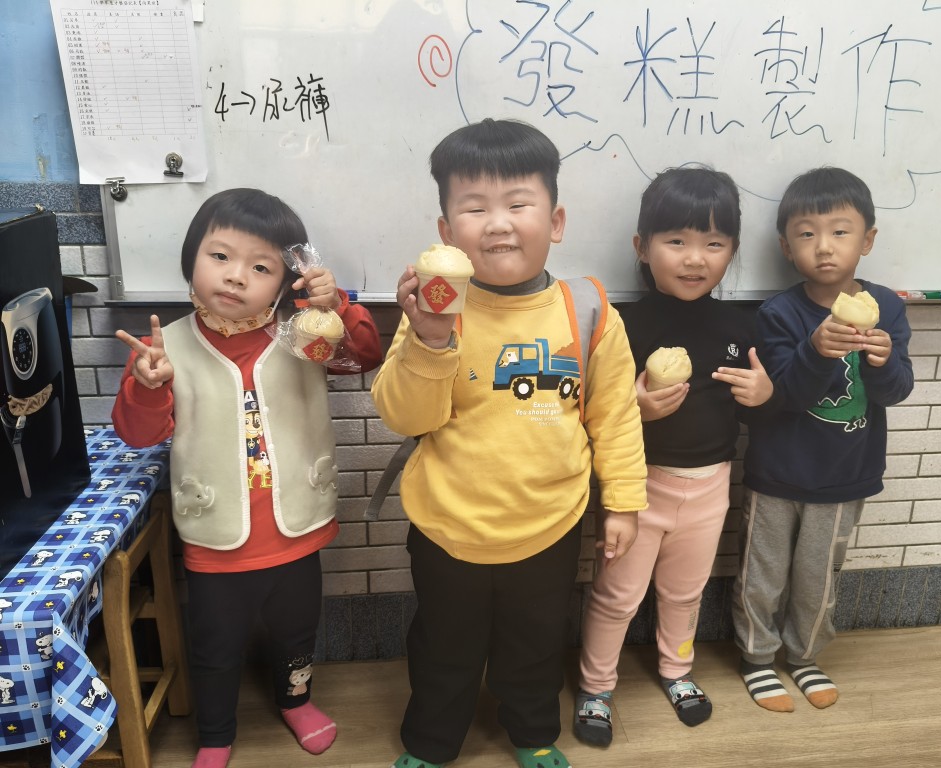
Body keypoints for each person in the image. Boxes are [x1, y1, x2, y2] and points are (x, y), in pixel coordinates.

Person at [371, 118, 648, 768]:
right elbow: (405, 416)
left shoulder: (589, 310)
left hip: (549, 525)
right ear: (446, 233)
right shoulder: (434, 312)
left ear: (555, 221)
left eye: (518, 204)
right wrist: (430, 340)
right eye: (475, 208)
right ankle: (431, 741)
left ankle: (531, 731)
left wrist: (624, 502)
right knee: (445, 647)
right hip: (448, 525)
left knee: (535, 643)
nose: (497, 224)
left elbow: (614, 417)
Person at [111, 188, 382, 768]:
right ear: (191, 257)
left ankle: (297, 701)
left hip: (296, 528)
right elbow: (138, 434)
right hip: (215, 537)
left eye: (260, 267)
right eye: (220, 256)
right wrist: (147, 386)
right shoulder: (166, 347)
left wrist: (337, 308)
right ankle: (215, 733)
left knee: (296, 633)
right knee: (215, 644)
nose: (236, 276)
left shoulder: (305, 332)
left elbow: (363, 355)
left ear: (286, 283)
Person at [573, 167, 775, 747]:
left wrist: (765, 396)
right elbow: (589, 415)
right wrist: (634, 408)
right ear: (643, 247)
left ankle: (677, 671)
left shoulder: (741, 326)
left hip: (711, 487)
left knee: (686, 592)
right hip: (639, 488)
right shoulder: (621, 324)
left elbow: (756, 416)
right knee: (617, 595)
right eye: (677, 240)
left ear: (732, 250)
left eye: (714, 243)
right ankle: (595, 686)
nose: (694, 258)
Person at [731, 166, 914, 712]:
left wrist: (882, 361)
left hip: (844, 476)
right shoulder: (779, 312)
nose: (825, 246)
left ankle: (805, 656)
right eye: (807, 234)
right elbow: (782, 395)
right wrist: (816, 349)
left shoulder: (887, 307)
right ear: (787, 247)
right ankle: (756, 659)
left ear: (867, 240)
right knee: (762, 574)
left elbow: (896, 391)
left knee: (818, 577)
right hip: (777, 472)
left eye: (840, 232)